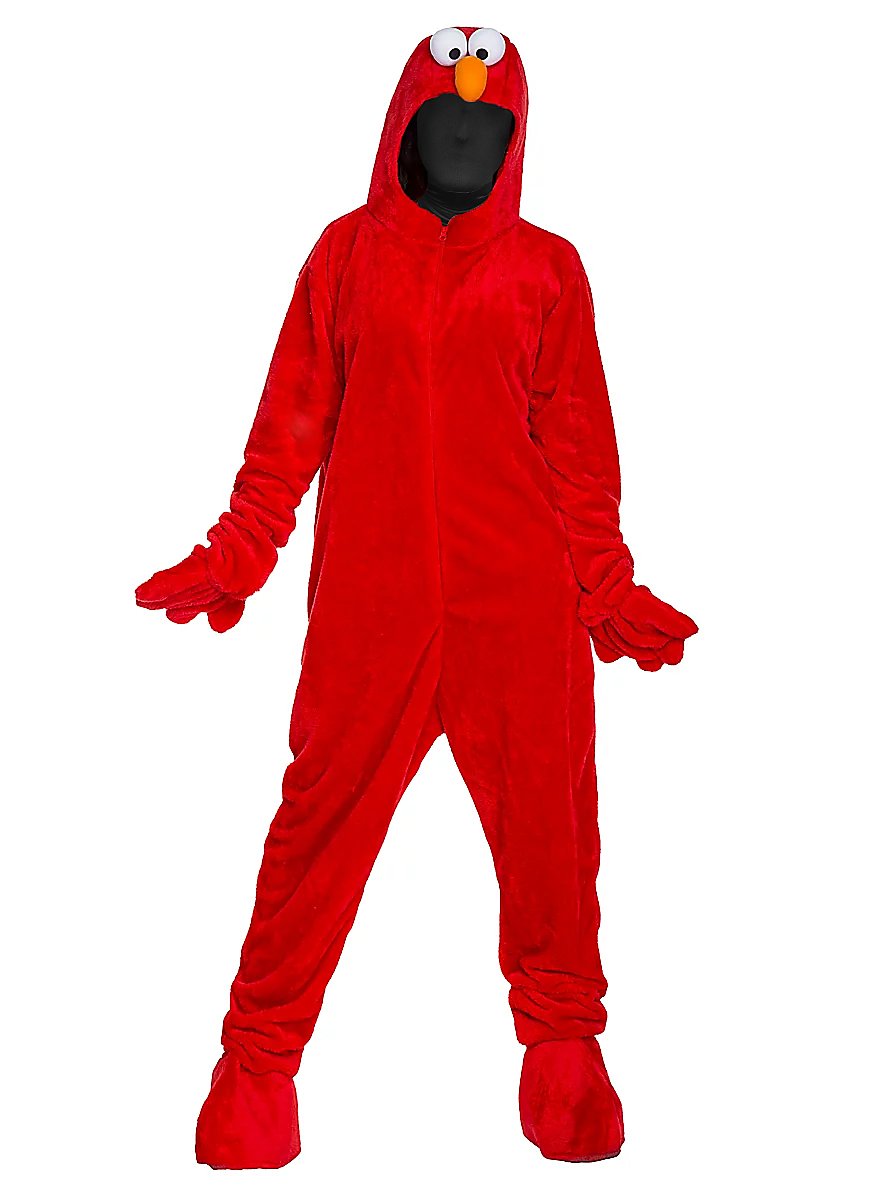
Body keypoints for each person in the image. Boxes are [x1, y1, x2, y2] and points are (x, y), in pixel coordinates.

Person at [136, 26, 697, 1168]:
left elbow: (578, 449)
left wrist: (606, 585)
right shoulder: (344, 256)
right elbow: (291, 423)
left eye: (488, 128)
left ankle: (564, 1054)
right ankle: (257, 1066)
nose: (462, 143)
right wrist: (239, 551)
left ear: (516, 142)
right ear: (401, 127)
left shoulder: (547, 270)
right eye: (443, 121)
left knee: (552, 834)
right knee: (315, 830)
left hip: (522, 608)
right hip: (370, 607)